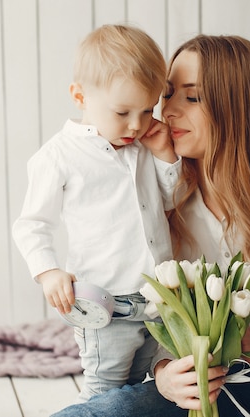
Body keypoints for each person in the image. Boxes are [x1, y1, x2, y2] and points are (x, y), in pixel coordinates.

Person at [51, 34, 250, 416]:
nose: (166, 111)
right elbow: (149, 308)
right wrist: (166, 374)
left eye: (192, 97)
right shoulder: (157, 192)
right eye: (166, 94)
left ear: (238, 108)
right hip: (204, 385)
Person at [12, 24, 180, 401]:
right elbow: (32, 224)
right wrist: (48, 271)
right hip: (105, 305)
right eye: (122, 112)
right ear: (80, 96)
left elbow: (169, 204)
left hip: (154, 301)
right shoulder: (59, 157)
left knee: (142, 389)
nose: (136, 124)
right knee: (106, 390)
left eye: (146, 110)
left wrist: (167, 157)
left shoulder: (141, 148)